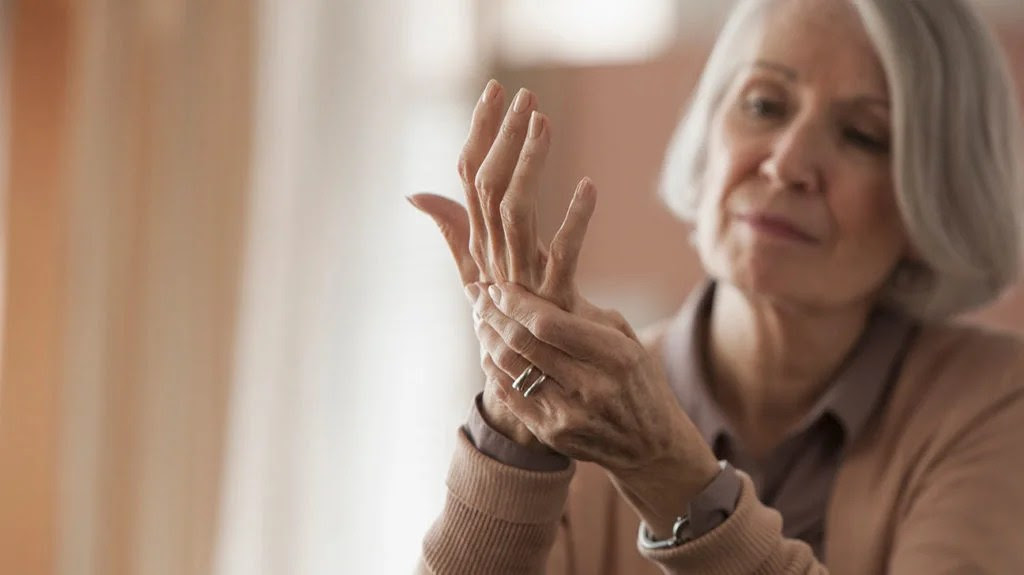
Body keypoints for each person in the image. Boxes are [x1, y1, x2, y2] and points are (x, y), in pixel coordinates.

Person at [408, 0, 1024, 572]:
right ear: (709, 134)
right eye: (764, 105)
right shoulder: (580, 407)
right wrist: (515, 428)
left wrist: (668, 474)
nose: (787, 162)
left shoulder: (995, 402)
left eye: (862, 135)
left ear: (935, 198)